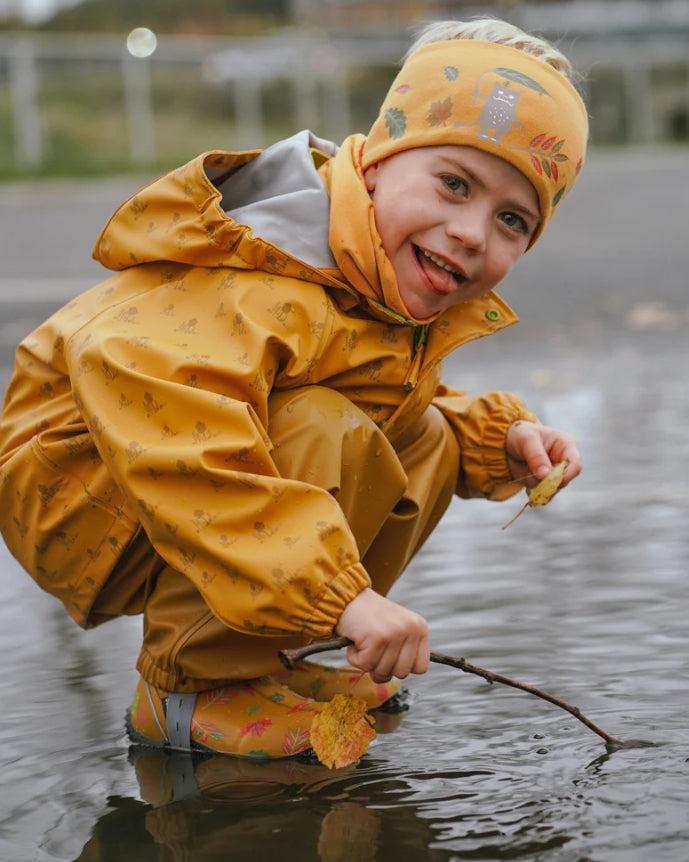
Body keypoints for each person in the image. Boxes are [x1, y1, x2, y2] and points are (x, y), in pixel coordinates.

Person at [0, 19, 588, 759]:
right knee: (319, 423)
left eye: (511, 219)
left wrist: (493, 439)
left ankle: (268, 656)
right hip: (82, 485)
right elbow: (189, 446)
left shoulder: (364, 271)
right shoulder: (262, 272)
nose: (472, 232)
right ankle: (186, 691)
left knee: (422, 434)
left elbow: (388, 394)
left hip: (180, 475)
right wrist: (340, 595)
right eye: (453, 184)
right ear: (375, 162)